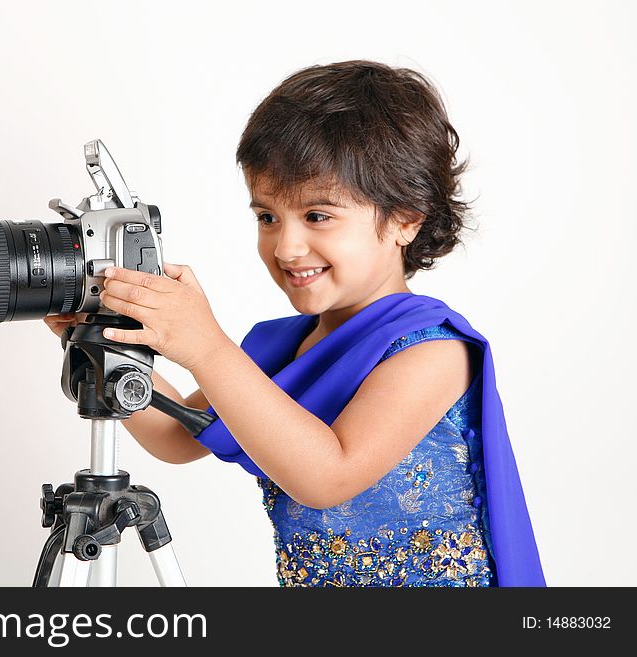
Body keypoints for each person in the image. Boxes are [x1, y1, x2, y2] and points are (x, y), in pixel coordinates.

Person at [45, 60, 544, 587]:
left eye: (318, 215)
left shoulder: (433, 352)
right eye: (267, 217)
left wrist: (206, 345)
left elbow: (327, 476)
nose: (286, 246)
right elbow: (175, 434)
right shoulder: (283, 346)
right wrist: (99, 340)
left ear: (405, 219)